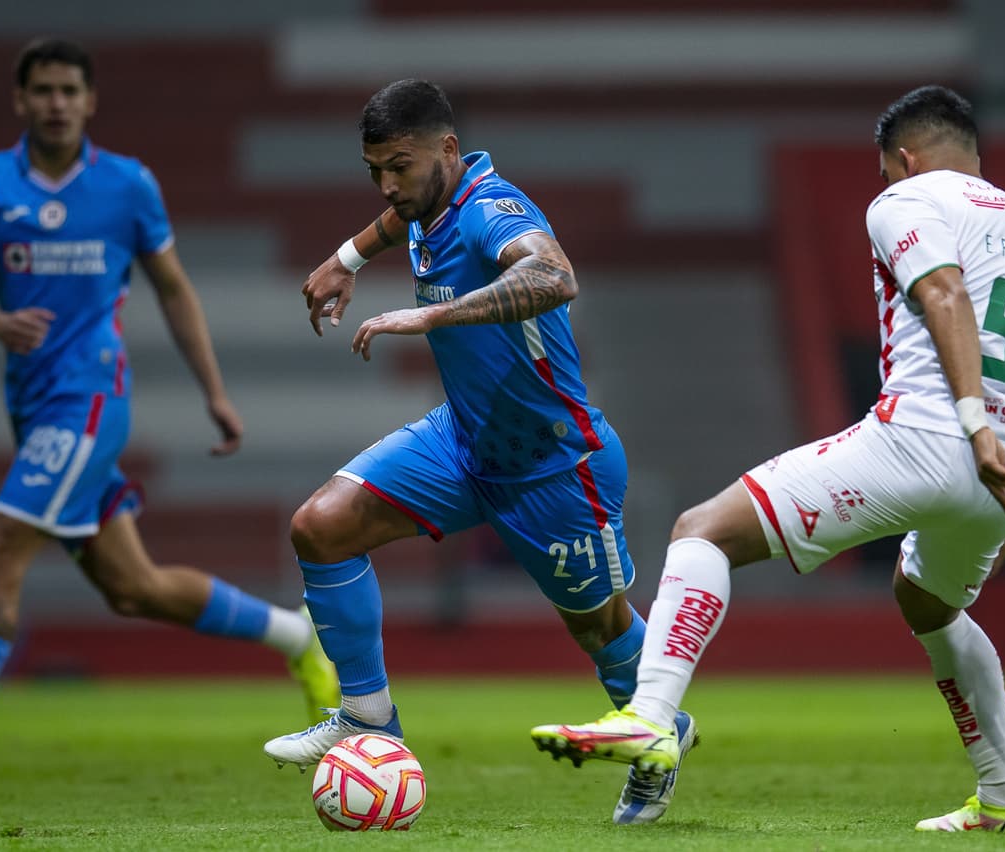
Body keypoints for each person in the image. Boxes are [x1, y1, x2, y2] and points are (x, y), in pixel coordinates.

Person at [531, 85, 1005, 834]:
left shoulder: (905, 199)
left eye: (885, 172)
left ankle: (650, 717)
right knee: (929, 602)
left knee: (704, 530)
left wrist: (971, 422)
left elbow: (946, 294)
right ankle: (1004, 800)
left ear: (904, 158)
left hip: (931, 434)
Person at [0, 38, 338, 793]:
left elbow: (173, 288)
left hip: (89, 403)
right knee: (134, 588)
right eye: (43, 90)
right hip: (34, 407)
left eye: (68, 90)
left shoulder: (127, 185)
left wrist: (214, 391)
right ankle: (297, 636)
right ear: (20, 100)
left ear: (89, 101)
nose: (56, 103)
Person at [260, 79, 695, 825]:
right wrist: (347, 258)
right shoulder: (424, 203)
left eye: (399, 166)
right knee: (321, 527)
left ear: (449, 149)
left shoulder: (493, 207)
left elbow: (553, 275)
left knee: (598, 628)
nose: (387, 186)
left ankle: (661, 731)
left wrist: (432, 316)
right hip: (462, 439)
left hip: (554, 463)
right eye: (374, 170)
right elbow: (398, 220)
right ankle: (367, 719)